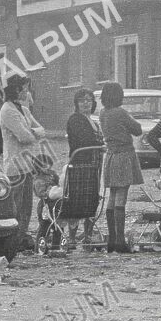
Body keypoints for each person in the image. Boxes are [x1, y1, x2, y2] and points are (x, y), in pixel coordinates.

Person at [0, 75, 47, 250]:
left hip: (27, 164)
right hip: (14, 165)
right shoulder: (7, 110)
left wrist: (31, 132)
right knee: (16, 205)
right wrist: (32, 132)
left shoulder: (24, 110)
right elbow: (24, 136)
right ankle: (13, 239)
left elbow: (42, 130)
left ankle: (21, 237)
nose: (27, 91)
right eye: (24, 88)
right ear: (16, 90)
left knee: (27, 204)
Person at [99, 81, 143, 253]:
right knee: (121, 195)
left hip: (110, 155)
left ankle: (112, 239)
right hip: (124, 155)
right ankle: (119, 240)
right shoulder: (120, 112)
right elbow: (137, 130)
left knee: (112, 195)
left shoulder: (103, 112)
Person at [65, 88, 103, 246]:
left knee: (92, 199)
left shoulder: (93, 121)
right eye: (82, 100)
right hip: (80, 164)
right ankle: (72, 238)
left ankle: (88, 235)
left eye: (89, 100)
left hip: (94, 165)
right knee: (76, 201)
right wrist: (100, 145)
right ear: (76, 103)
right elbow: (82, 139)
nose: (86, 103)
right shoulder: (75, 119)